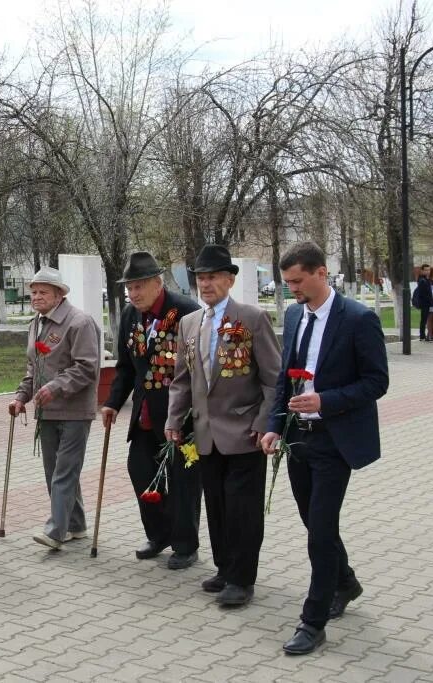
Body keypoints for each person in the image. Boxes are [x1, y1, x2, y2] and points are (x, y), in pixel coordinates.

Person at [260, 242, 388, 655]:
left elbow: (376, 382)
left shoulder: (358, 318)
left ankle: (312, 623)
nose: (292, 289)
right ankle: (346, 583)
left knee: (320, 530)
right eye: (288, 282)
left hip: (336, 441)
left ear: (320, 273)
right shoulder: (296, 314)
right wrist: (274, 426)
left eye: (297, 281)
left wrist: (326, 400)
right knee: (313, 522)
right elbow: (284, 378)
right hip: (299, 438)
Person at [166, 245, 281, 607]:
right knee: (215, 505)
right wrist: (174, 420)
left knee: (242, 510)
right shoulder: (189, 323)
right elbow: (182, 380)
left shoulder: (251, 318)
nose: (206, 284)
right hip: (206, 434)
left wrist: (264, 423)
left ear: (229, 280)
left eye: (213, 277)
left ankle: (242, 580)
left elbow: (273, 379)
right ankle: (225, 568)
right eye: (201, 278)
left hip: (246, 432)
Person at [101, 252, 202, 569]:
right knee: (140, 471)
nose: (133, 293)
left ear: (158, 283)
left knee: (183, 481)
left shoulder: (185, 312)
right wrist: (113, 403)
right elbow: (127, 367)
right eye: (130, 287)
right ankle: (159, 534)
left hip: (181, 416)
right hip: (145, 415)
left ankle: (185, 544)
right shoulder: (131, 316)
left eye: (139, 286)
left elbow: (200, 369)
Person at [9, 267, 101, 550]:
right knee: (55, 471)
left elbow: (87, 367)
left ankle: (55, 530)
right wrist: (21, 396)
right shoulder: (36, 324)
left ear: (59, 295)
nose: (36, 297)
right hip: (47, 411)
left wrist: (55, 387)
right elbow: (33, 367)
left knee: (64, 470)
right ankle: (75, 525)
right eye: (33, 292)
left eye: (43, 292)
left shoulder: (79, 322)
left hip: (74, 409)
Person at [414, 264, 433, 341]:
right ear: (422, 271)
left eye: (428, 270)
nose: (427, 272)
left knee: (425, 319)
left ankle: (426, 335)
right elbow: (424, 293)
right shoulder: (422, 280)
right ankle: (422, 336)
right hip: (424, 303)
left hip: (427, 302)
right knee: (424, 319)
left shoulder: (426, 279)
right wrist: (430, 301)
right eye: (426, 270)